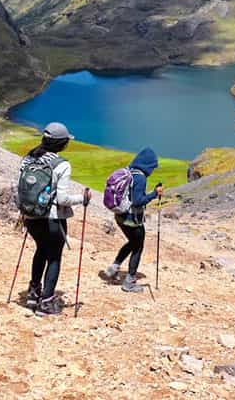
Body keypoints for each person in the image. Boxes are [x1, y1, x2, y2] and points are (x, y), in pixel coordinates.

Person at [21, 122, 91, 316]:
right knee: (54, 257)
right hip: (52, 219)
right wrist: (82, 199)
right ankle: (47, 302)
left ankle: (33, 294)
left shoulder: (28, 159)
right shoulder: (62, 164)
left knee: (40, 250)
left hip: (30, 216)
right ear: (62, 143)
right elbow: (63, 199)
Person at [104, 147, 163, 292]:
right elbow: (138, 201)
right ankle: (129, 281)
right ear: (148, 165)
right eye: (152, 167)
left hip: (120, 216)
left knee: (132, 242)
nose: (152, 170)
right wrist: (154, 194)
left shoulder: (129, 171)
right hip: (132, 219)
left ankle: (114, 268)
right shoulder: (140, 177)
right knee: (138, 246)